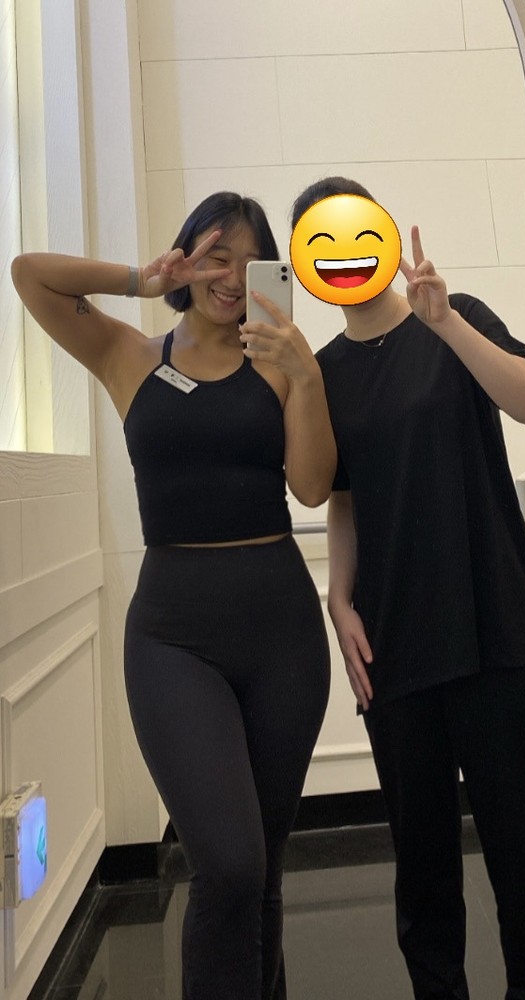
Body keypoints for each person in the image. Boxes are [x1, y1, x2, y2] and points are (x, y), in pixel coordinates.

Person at [12, 192, 334, 1000]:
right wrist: (139, 279)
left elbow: (311, 486)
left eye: (250, 263)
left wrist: (306, 377)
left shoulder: (279, 361)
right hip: (173, 636)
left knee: (260, 869)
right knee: (227, 862)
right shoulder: (129, 355)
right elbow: (29, 274)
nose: (231, 277)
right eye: (215, 255)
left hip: (282, 631)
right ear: (185, 257)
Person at [290, 177, 525, 1000]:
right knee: (422, 873)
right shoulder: (324, 373)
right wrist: (338, 598)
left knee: (523, 858)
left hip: (495, 625)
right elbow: (342, 494)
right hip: (394, 639)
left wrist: (444, 321)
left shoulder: (456, 314)